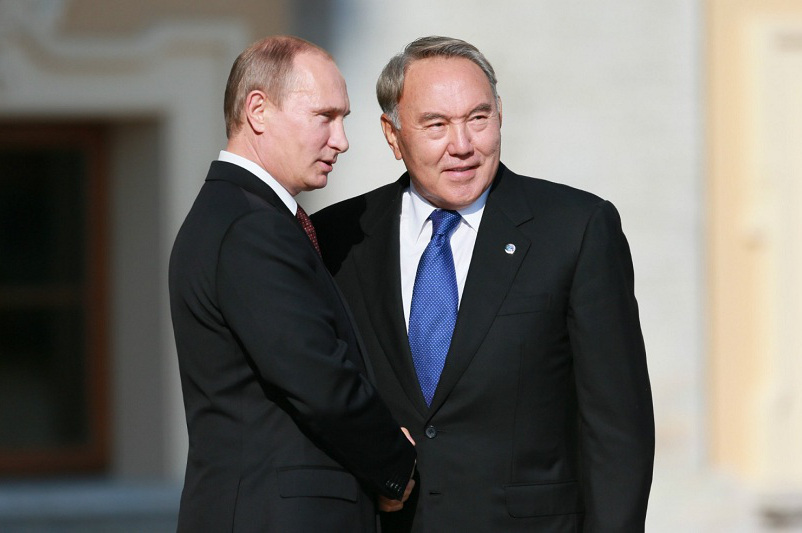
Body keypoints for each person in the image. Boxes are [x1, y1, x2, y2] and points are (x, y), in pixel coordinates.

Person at [312, 36, 655, 532]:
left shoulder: (575, 229)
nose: (462, 145)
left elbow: (618, 427)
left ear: (500, 115)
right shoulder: (338, 237)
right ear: (393, 135)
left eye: (478, 117)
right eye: (436, 124)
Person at [168, 35, 416, 532]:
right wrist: (397, 465)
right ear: (258, 110)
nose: (341, 140)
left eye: (343, 119)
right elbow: (319, 379)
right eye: (325, 116)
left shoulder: (244, 216)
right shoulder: (251, 227)